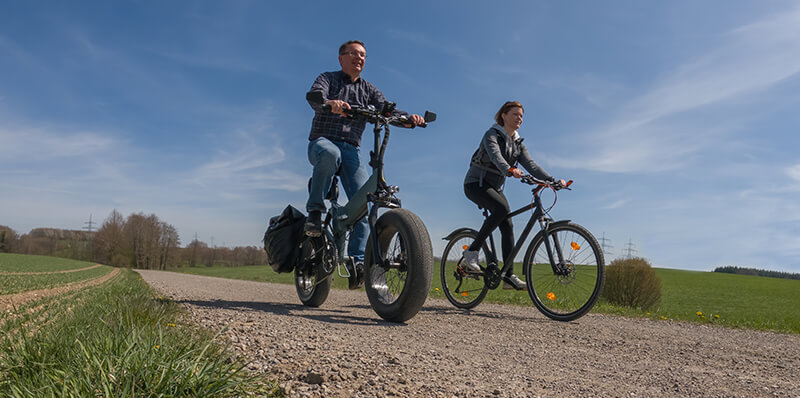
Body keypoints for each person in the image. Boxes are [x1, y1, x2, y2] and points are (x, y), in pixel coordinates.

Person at [304, 40, 424, 274]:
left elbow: (386, 110)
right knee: (330, 154)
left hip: (352, 150)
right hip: (323, 141)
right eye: (354, 54)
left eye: (363, 56)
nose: (359, 58)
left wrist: (409, 118)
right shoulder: (328, 78)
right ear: (341, 58)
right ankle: (315, 212)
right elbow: (315, 96)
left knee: (364, 202)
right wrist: (329, 103)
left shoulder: (368, 89)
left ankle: (357, 261)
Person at [462, 101, 566, 290]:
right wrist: (509, 169)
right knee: (500, 209)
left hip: (495, 188)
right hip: (475, 185)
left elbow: (531, 166)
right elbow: (495, 156)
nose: (519, 118)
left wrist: (553, 180)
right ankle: (472, 251)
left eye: (521, 116)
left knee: (507, 224)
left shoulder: (517, 144)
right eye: (515, 114)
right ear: (504, 115)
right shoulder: (491, 135)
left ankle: (508, 276)